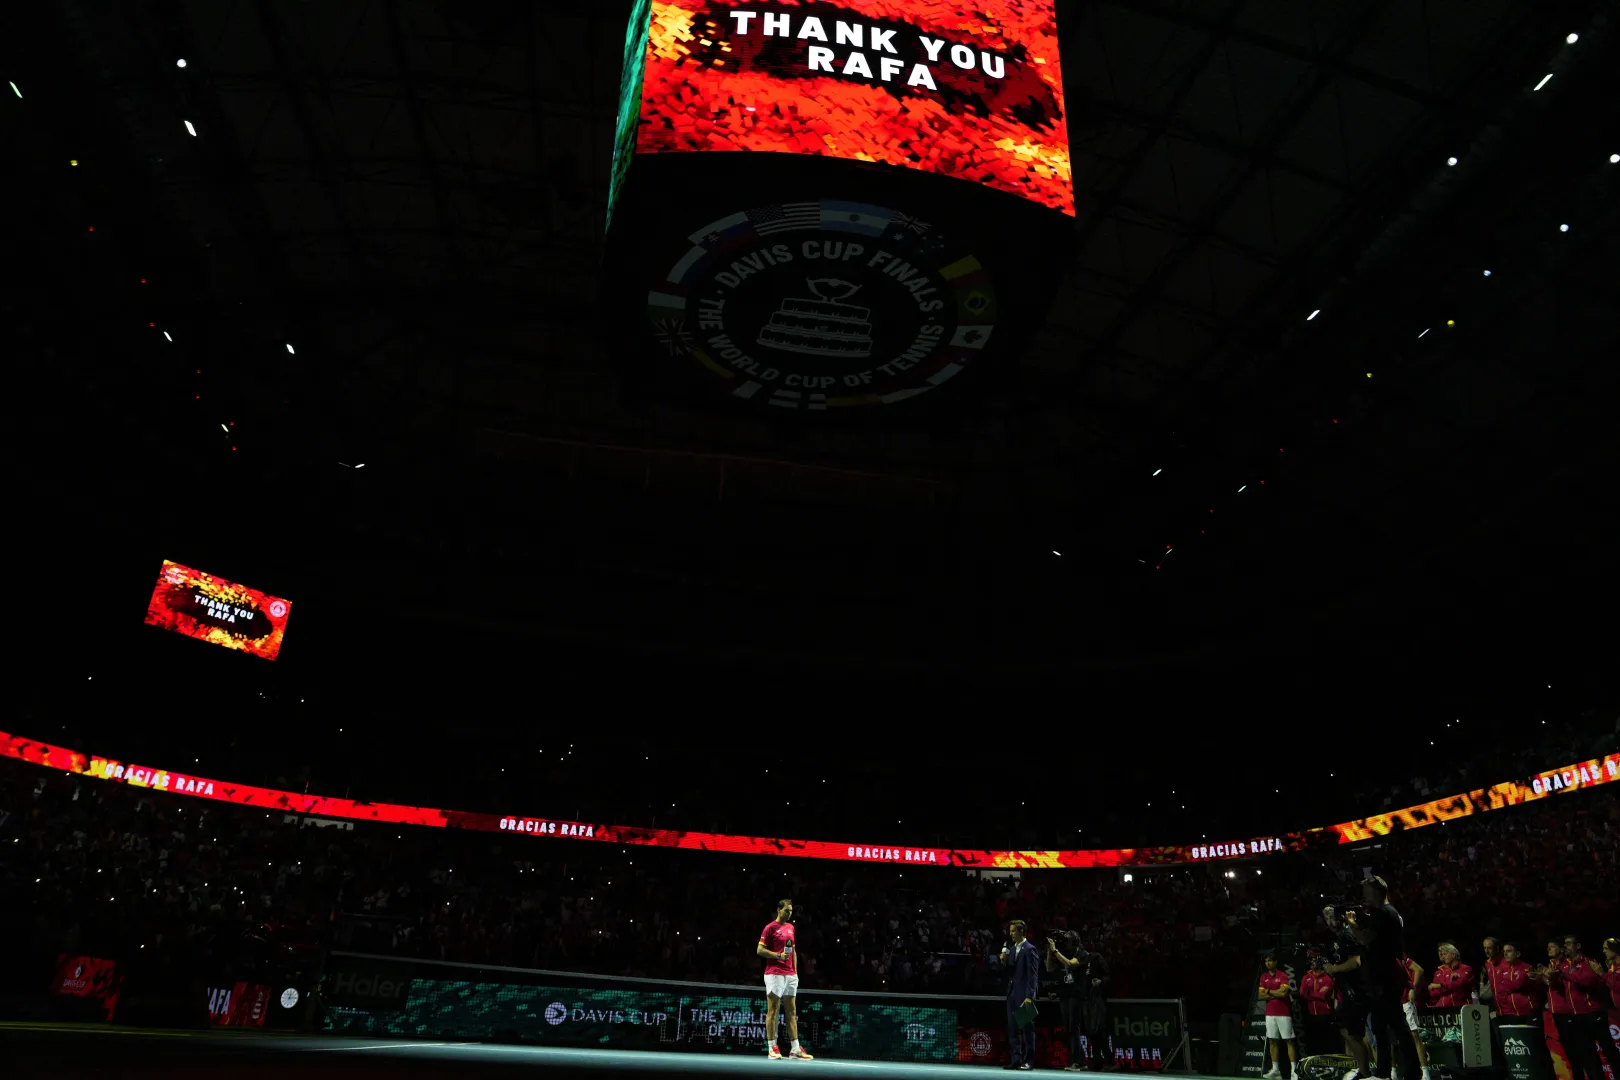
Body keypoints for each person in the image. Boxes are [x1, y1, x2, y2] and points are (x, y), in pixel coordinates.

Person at [1357, 877, 1421, 1080]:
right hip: (1386, 976)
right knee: (1387, 1024)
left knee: (1389, 1026)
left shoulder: (1383, 913)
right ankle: (1401, 1071)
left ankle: (1390, 1072)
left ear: (1375, 892)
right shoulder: (1390, 912)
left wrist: (1351, 924)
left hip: (1383, 977)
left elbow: (1365, 938)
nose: (1364, 896)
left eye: (1366, 891)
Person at [1543, 934, 1620, 1080]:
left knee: (1609, 1051)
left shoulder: (1588, 962)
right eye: (1564, 944)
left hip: (1594, 1014)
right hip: (1577, 1017)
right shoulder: (1564, 965)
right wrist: (1549, 978)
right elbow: (1562, 988)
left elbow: (1587, 982)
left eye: (1569, 943)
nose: (1565, 946)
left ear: (1578, 946)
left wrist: (1564, 975)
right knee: (1589, 1056)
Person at [756, 898, 812, 1060]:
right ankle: (772, 1046)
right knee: (773, 1010)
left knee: (792, 1011)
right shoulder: (770, 928)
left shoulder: (791, 928)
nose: (790, 914)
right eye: (787, 910)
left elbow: (793, 950)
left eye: (791, 911)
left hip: (790, 975)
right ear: (779, 910)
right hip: (774, 973)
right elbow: (759, 949)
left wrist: (795, 972)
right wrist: (777, 955)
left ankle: (795, 1049)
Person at [1322, 908, 1373, 1080]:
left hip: (1357, 991)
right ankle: (1363, 1071)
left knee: (1352, 1033)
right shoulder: (1337, 938)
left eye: (1332, 917)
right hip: (1348, 991)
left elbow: (1357, 960)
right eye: (1326, 918)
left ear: (1341, 917)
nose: (1329, 921)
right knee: (1348, 1031)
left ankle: (1366, 1073)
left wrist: (1334, 968)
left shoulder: (1347, 935)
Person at [1490, 943, 1551, 1080]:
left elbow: (1516, 984)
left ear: (1517, 954)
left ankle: (1545, 1075)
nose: (1505, 954)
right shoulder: (1503, 969)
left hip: (1529, 1012)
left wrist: (1504, 982)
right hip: (1512, 1014)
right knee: (1516, 1049)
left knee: (1536, 1047)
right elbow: (1502, 988)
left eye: (1509, 951)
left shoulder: (1526, 968)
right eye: (1504, 951)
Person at [1003, 919, 1039, 1071]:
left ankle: (1028, 1061)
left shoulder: (1030, 949)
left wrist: (1030, 996)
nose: (1010, 934)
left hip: (1024, 995)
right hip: (1011, 995)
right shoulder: (1011, 950)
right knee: (1013, 1029)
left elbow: (1033, 975)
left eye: (1013, 931)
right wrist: (1003, 960)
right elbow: (1009, 972)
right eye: (1010, 931)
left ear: (1021, 932)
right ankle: (1016, 1059)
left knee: (1027, 1030)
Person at [1047, 931, 1086, 1071]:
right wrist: (1049, 950)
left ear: (1075, 941)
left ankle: (1077, 1061)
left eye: (1068, 940)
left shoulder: (1082, 953)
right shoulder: (1063, 953)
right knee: (1068, 1029)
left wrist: (1055, 950)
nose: (1066, 942)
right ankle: (1079, 1060)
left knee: (1074, 1028)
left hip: (1076, 996)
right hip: (1064, 996)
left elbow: (1070, 964)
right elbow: (1049, 967)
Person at [1259, 953, 1298, 1079]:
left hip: (1283, 1013)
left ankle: (1294, 1071)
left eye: (1270, 961)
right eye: (1266, 961)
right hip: (1270, 1014)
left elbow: (1285, 992)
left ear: (1275, 962)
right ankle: (1275, 1071)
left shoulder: (1282, 975)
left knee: (1289, 1041)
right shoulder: (1263, 976)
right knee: (1272, 1041)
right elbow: (1260, 995)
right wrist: (1276, 992)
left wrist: (1269, 991)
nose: (1268, 963)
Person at [1401, 953, 1433, 1080]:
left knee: (1414, 1035)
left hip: (1405, 1001)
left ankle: (1426, 1073)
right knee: (1392, 1038)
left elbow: (1419, 969)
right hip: (1391, 1000)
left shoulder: (1400, 955)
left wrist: (1413, 988)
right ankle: (1393, 1072)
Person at [1299, 956, 1338, 1056]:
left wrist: (1310, 993)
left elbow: (1324, 995)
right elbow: (1302, 994)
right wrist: (1316, 994)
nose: (1313, 963)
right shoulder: (1306, 977)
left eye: (1315, 961)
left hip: (1325, 1014)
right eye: (1311, 961)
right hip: (1311, 1014)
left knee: (1326, 1040)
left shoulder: (1327, 978)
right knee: (1313, 1041)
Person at [1428, 943, 1474, 1008]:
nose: (1442, 956)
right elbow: (1435, 994)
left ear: (1453, 955)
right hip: (1443, 1009)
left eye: (1445, 954)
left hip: (1462, 1008)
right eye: (1440, 954)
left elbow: (1459, 985)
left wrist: (1440, 985)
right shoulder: (1438, 973)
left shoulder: (1465, 968)